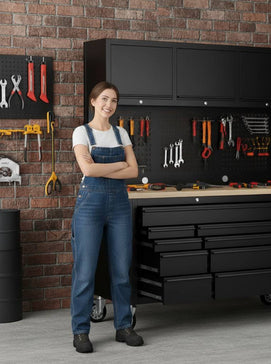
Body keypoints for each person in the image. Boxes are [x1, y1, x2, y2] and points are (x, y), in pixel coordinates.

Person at [71, 81, 143, 353]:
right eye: (103, 99)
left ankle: (124, 327)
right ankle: (80, 331)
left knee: (121, 270)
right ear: (93, 101)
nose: (108, 105)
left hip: (119, 207)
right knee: (85, 272)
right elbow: (87, 171)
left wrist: (103, 167)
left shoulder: (120, 133)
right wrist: (118, 165)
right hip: (90, 205)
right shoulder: (82, 132)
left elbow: (133, 171)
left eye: (113, 100)